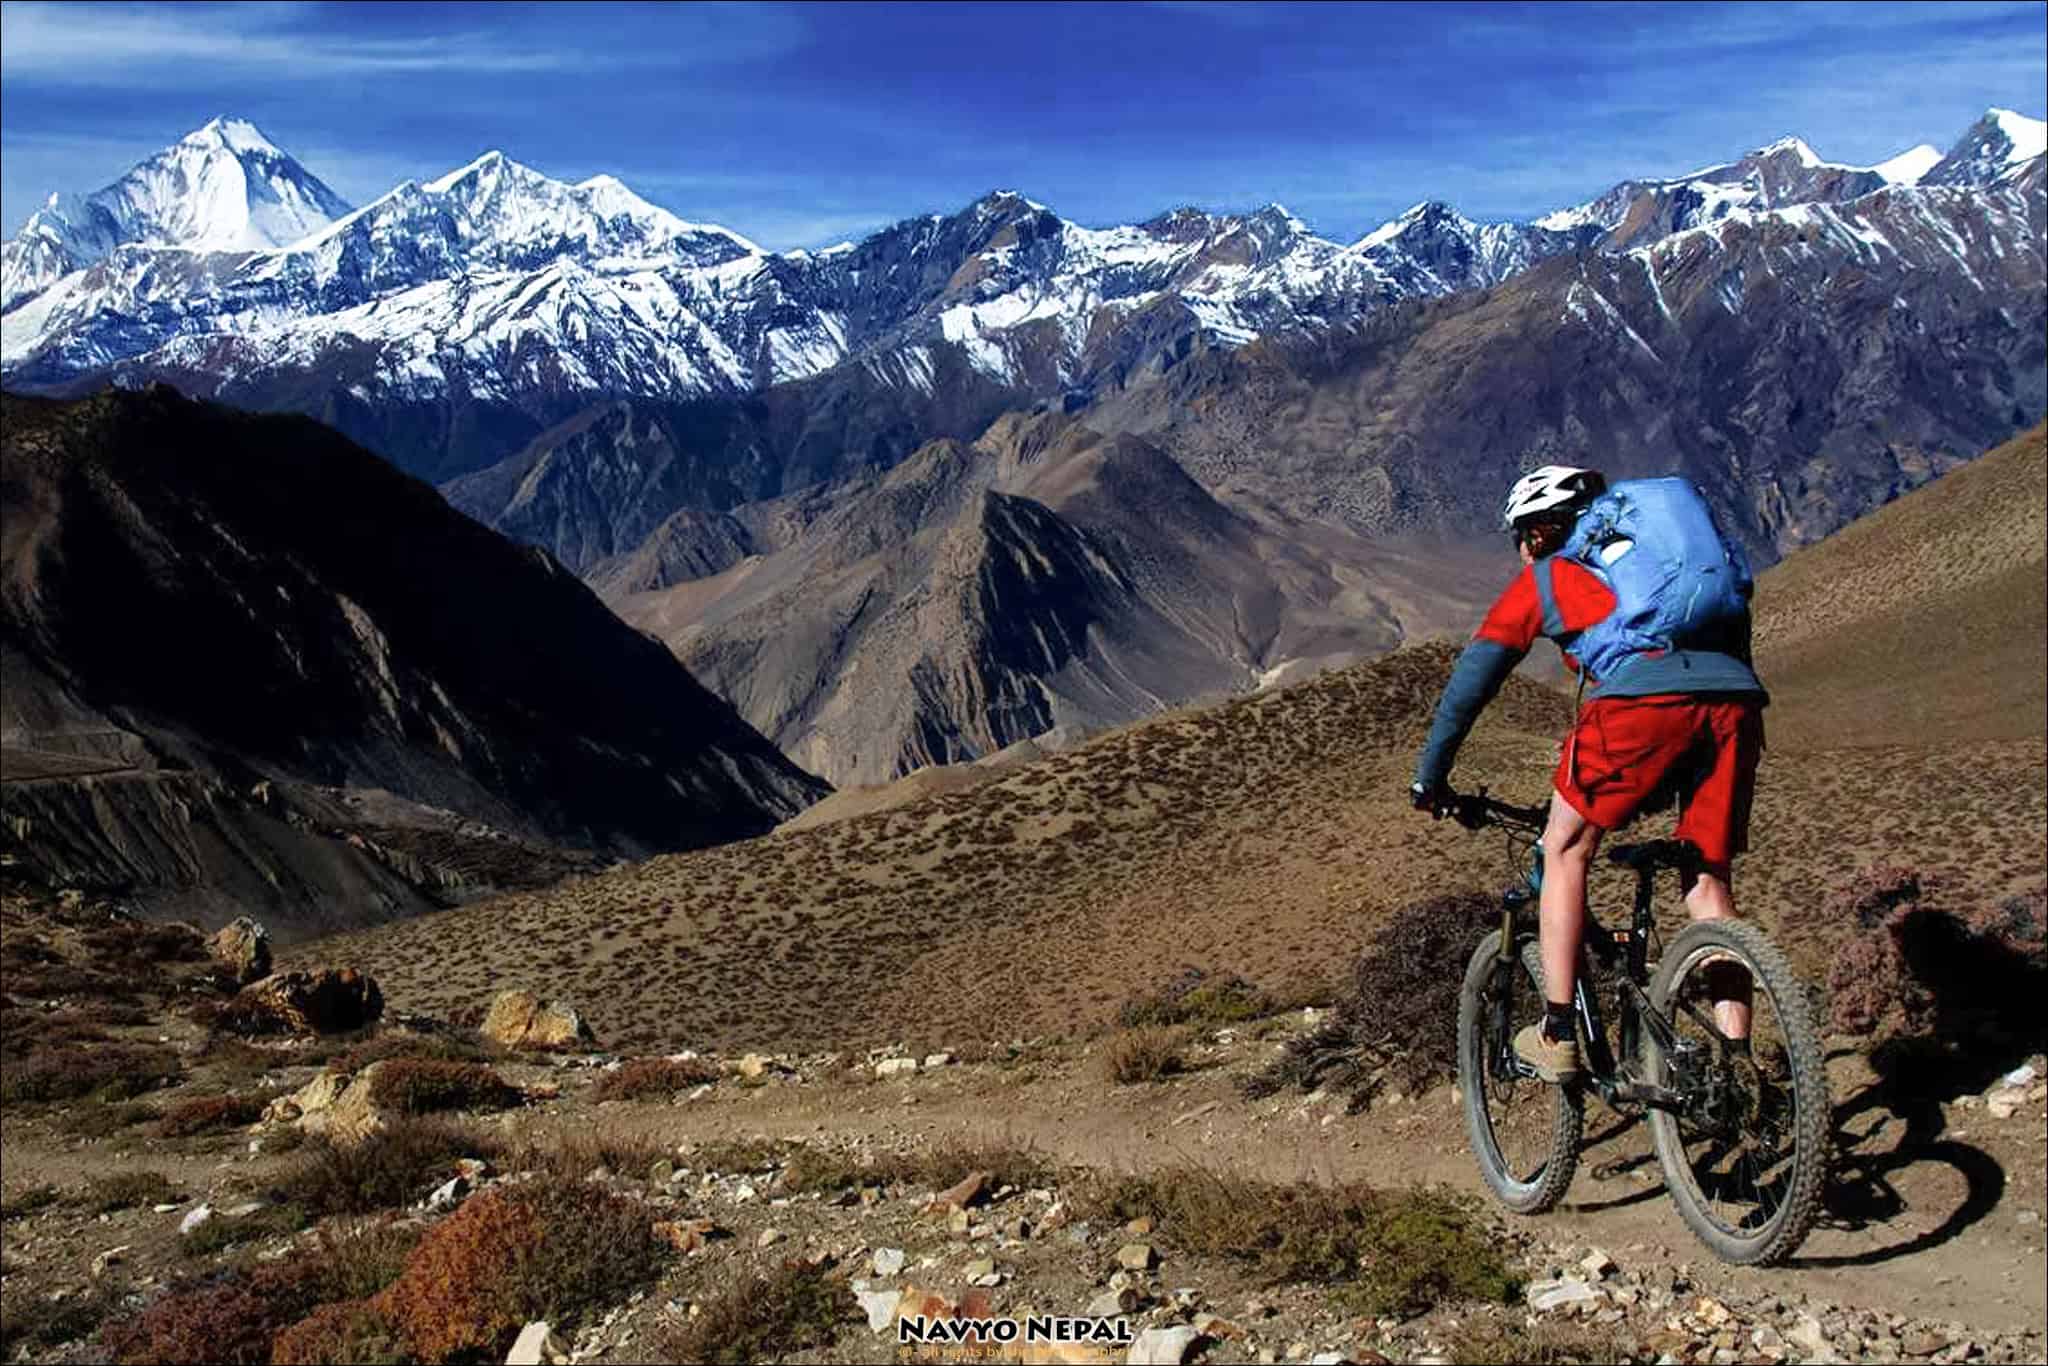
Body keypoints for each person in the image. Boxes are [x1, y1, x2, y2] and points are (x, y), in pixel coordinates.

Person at [1409, 465, 1767, 1081]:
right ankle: (1738, 1066)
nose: (1520, 552)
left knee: (1565, 847)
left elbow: (1472, 683)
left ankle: (1558, 1032)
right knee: (1707, 884)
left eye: (1520, 537)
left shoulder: (1550, 578)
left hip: (1638, 709)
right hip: (1736, 703)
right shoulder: (1670, 569)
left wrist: (1430, 776)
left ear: (1541, 533)